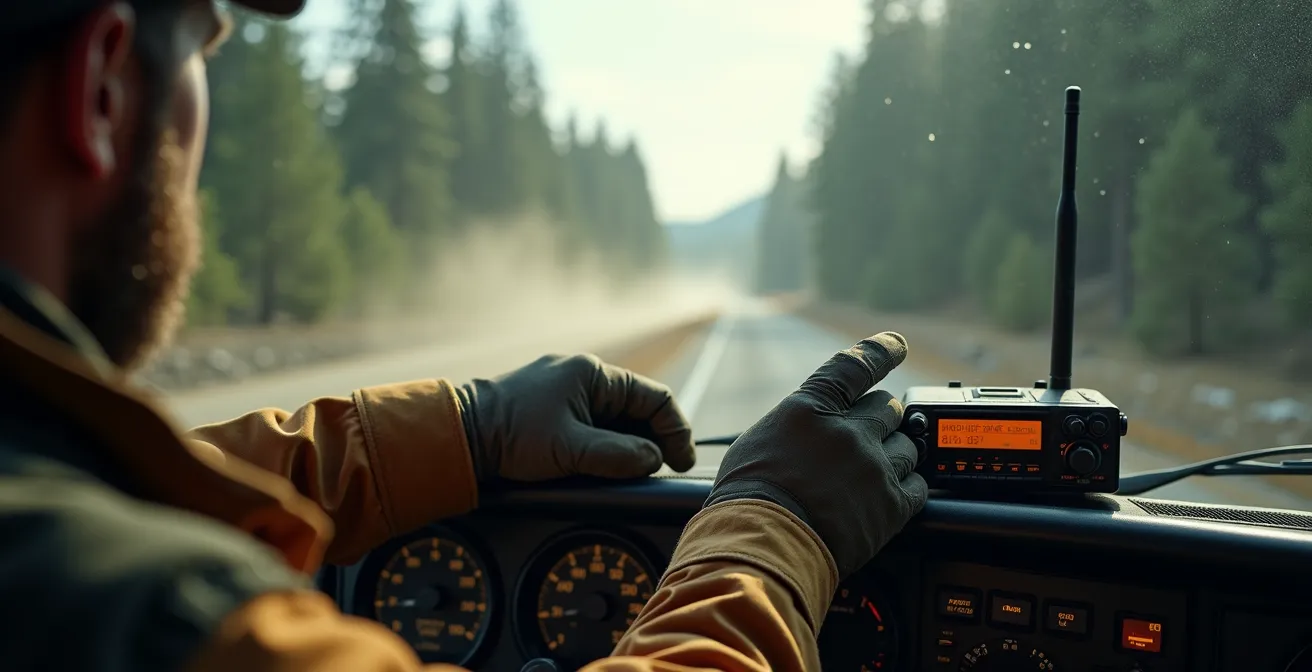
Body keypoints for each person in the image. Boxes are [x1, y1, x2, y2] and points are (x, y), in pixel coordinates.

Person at [0, 0, 928, 670]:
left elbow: (108, 485)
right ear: (104, 91)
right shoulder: (178, 624)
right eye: (206, 46)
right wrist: (773, 531)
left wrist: (467, 427)